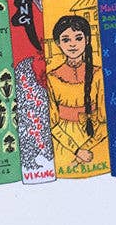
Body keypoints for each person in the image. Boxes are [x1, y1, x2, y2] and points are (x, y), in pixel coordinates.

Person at [46, 15, 109, 177]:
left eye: (78, 38)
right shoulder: (52, 78)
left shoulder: (97, 74)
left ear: (87, 40)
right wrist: (76, 150)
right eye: (66, 40)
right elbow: (52, 123)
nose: (72, 44)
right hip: (64, 143)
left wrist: (86, 148)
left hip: (96, 141)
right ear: (58, 43)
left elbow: (105, 120)